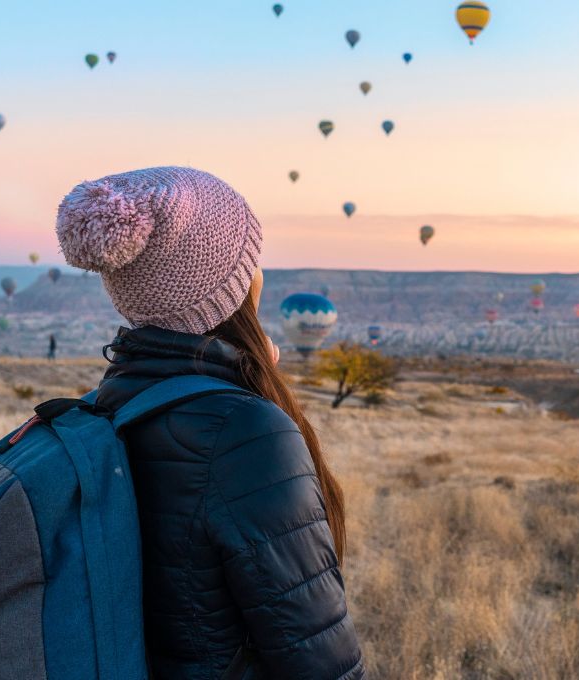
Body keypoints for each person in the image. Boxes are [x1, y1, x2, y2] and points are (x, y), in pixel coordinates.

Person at [55, 167, 363, 679]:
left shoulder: (113, 401)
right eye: (252, 259)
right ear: (231, 284)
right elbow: (317, 656)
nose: (259, 272)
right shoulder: (245, 430)